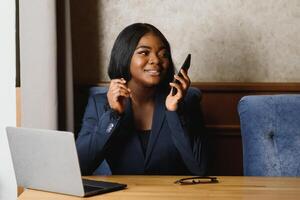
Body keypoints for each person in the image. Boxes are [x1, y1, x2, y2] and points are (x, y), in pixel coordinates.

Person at [76, 23, 208, 175]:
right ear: (124, 56)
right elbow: (80, 166)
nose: (156, 60)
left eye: (163, 54)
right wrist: (114, 114)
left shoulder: (186, 101)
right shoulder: (100, 104)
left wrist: (174, 112)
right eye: (144, 53)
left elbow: (200, 169)